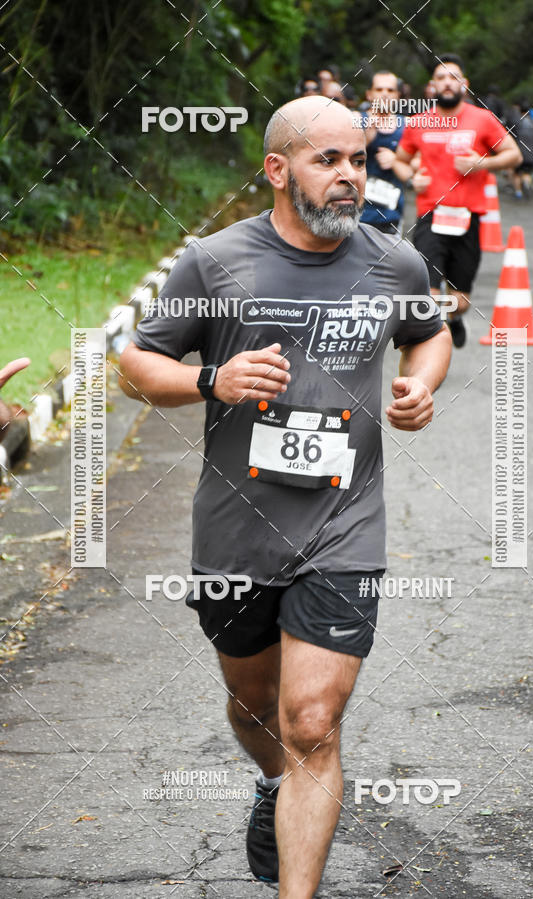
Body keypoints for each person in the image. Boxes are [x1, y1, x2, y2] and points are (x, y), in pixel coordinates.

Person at [118, 95, 451, 897]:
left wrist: (420, 385)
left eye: (357, 160)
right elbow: (136, 365)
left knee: (312, 721)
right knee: (253, 705)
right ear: (277, 168)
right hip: (237, 534)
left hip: (345, 527)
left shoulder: (393, 261)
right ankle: (272, 781)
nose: (349, 175)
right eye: (326, 159)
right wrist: (213, 378)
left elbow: (430, 332)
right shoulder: (214, 262)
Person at [394, 53, 522, 348]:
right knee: (429, 294)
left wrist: (482, 164)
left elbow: (514, 155)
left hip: (467, 217)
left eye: (453, 77)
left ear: (464, 84)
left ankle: (455, 318)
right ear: (432, 86)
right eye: (441, 78)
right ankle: (432, 344)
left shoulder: (482, 119)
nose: (447, 83)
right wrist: (411, 178)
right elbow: (400, 161)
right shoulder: (418, 122)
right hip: (431, 215)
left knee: (460, 300)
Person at [359, 71, 406, 234]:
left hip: (390, 215)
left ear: (398, 95)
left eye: (390, 90)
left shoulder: (407, 126)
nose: (385, 94)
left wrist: (396, 161)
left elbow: (417, 167)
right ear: (369, 94)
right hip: (355, 213)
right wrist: (365, 141)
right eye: (379, 89)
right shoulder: (355, 120)